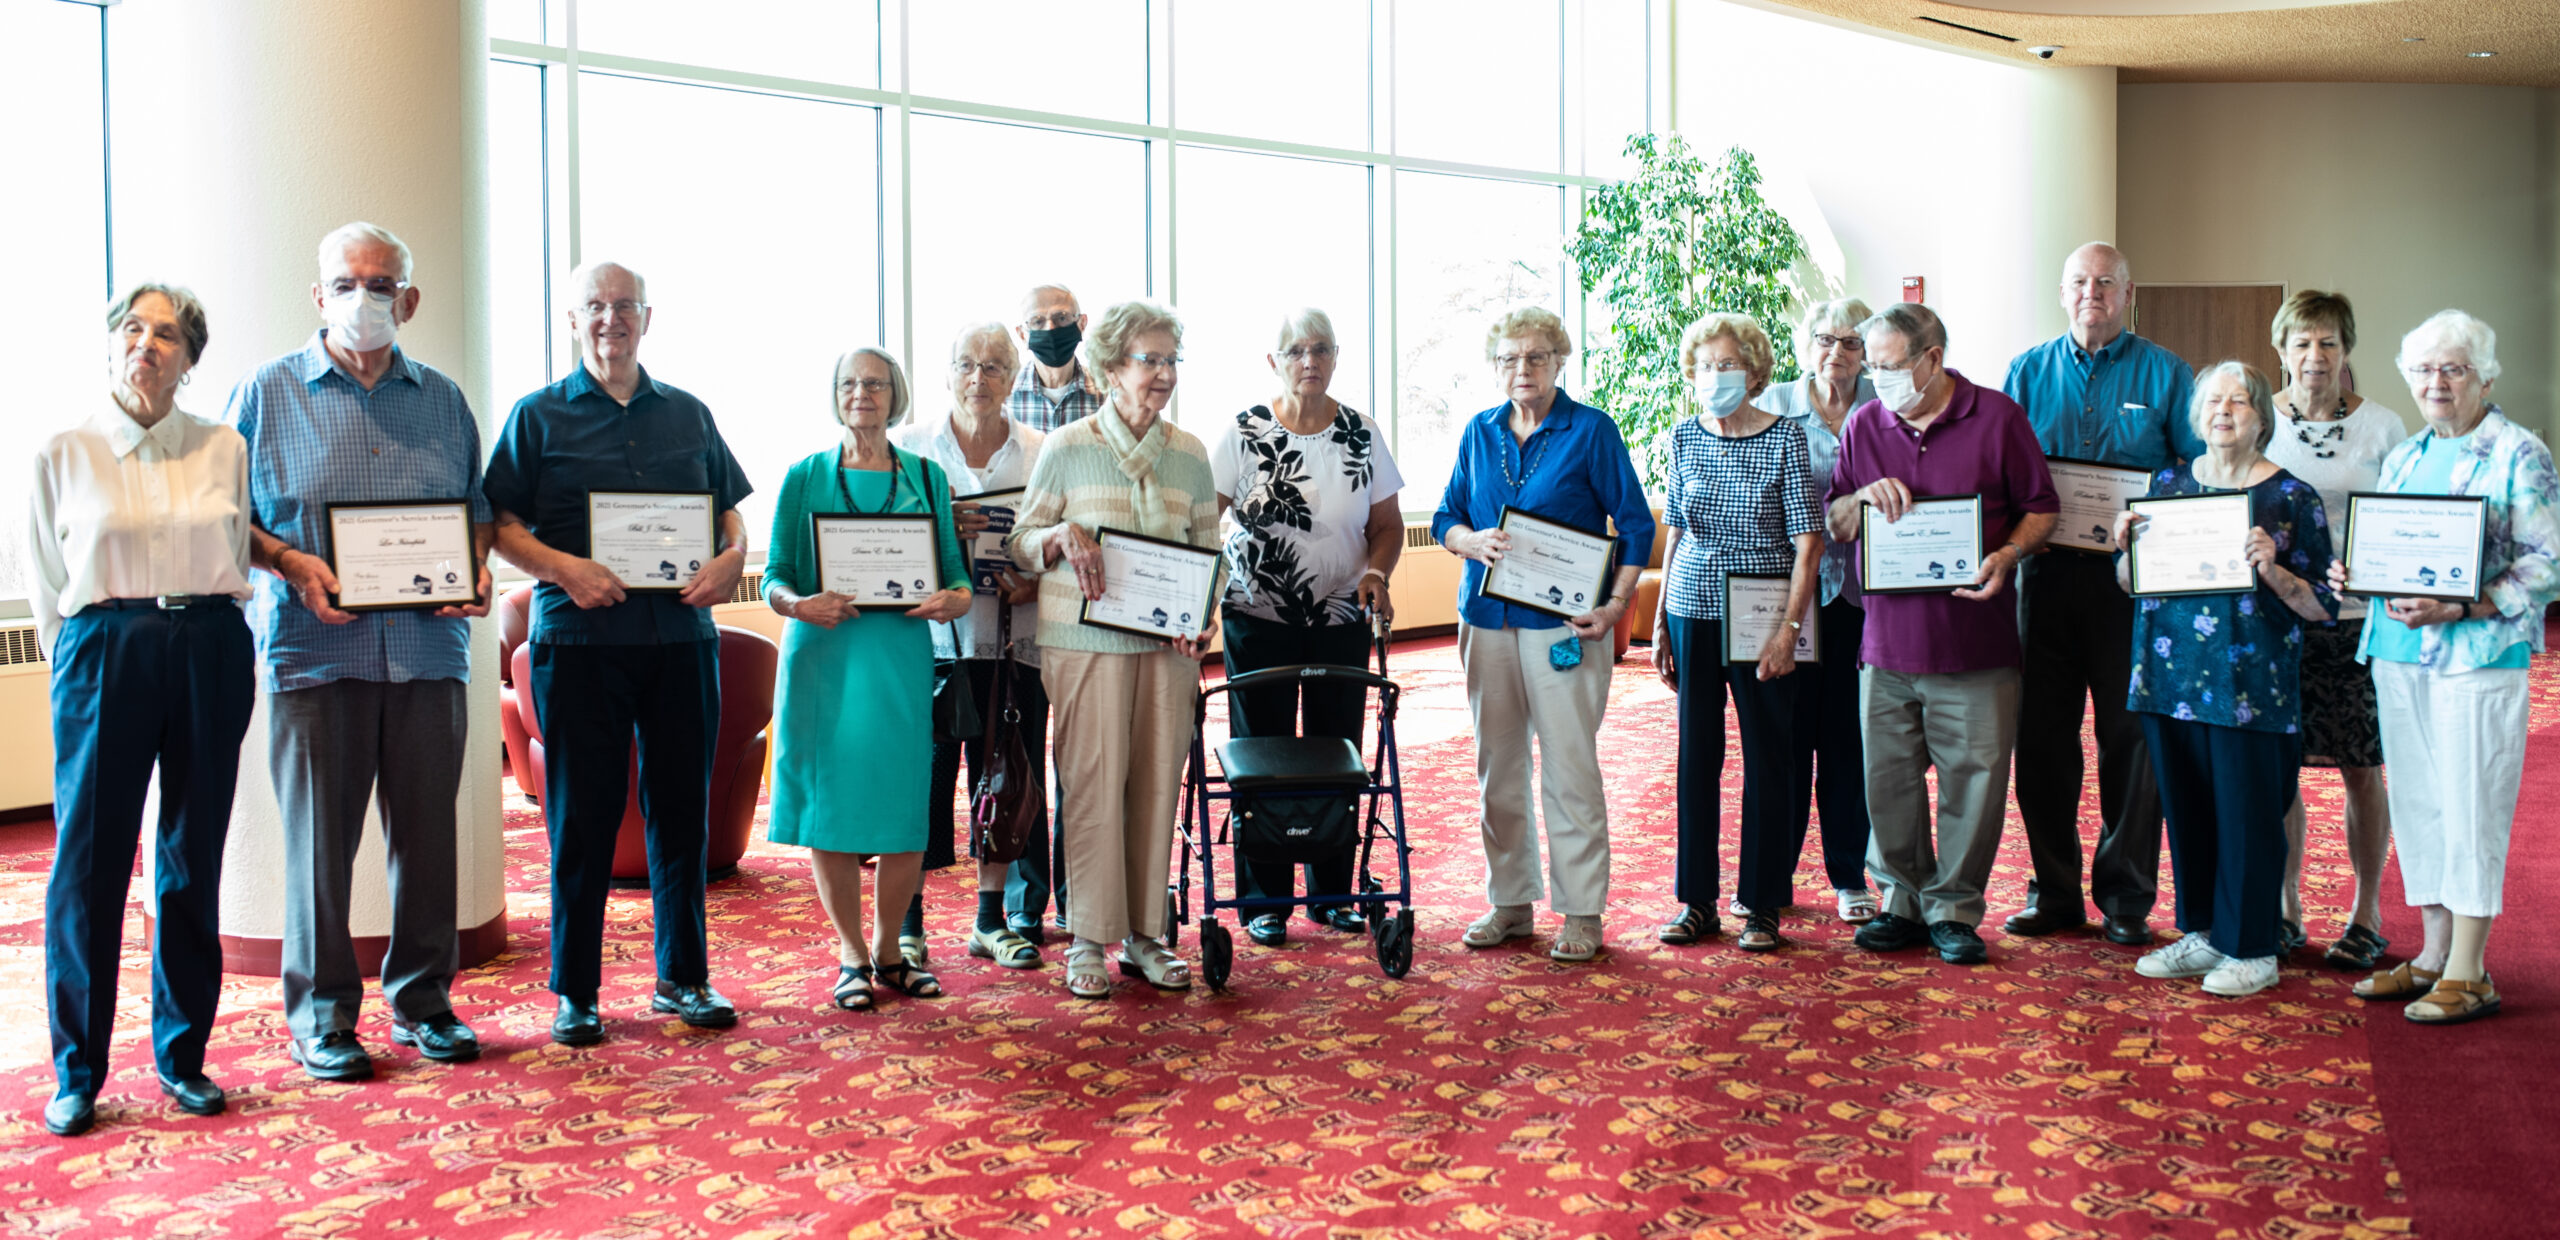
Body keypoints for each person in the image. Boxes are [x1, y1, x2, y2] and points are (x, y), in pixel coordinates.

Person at [227, 222, 495, 1082]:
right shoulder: (265, 395)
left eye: (382, 285)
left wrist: (476, 573)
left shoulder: (444, 401)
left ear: (408, 300)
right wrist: (289, 563)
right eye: (347, 283)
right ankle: (323, 1019)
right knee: (318, 848)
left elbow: (474, 514)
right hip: (313, 656)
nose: (364, 299)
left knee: (427, 841)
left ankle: (423, 1001)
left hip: (426, 654)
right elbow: (232, 527)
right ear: (318, 296)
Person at [485, 261, 753, 1045]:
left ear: (647, 318)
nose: (611, 319)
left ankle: (684, 978)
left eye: (625, 306)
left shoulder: (690, 415)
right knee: (582, 819)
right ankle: (576, 992)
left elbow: (729, 515)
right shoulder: (537, 416)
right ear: (573, 321)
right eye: (595, 308)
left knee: (681, 814)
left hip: (679, 640)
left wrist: (734, 558)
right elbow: (498, 525)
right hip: (578, 644)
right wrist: (566, 570)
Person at [31, 284, 254, 1137]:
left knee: (191, 853)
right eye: (133, 329)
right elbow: (50, 584)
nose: (147, 344)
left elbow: (234, 553)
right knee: (88, 862)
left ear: (191, 359)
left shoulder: (224, 446)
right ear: (113, 345)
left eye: (167, 334)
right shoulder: (65, 449)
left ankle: (183, 1057)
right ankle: (78, 1071)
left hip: (206, 643)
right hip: (105, 647)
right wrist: (87, 660)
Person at [2334, 310, 2559, 1024]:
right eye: (2425, 369)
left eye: (2453, 368)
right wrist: (2357, 574)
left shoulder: (2518, 453)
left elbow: (2547, 563)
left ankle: (2471, 969)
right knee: (2424, 806)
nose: (2437, 382)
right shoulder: (2405, 455)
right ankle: (2431, 955)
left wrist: (2466, 608)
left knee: (2471, 805)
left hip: (2477, 660)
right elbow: (2391, 551)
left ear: (2484, 377)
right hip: (2398, 654)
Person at [1828, 303, 2058, 966]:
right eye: (1872, 367)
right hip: (1887, 645)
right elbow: (1838, 519)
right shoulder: (1866, 424)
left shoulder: (1996, 417)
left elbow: (2042, 509)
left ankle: (1954, 909)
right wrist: (1862, 498)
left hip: (1975, 644)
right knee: (1888, 781)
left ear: (1933, 359)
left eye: (1892, 367)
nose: (1880, 379)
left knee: (1973, 783)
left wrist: (2007, 555)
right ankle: (1900, 901)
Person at [1005, 299, 1220, 998]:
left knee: (1158, 783)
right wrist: (1061, 537)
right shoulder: (1068, 448)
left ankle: (1147, 936)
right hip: (1082, 643)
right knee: (1093, 786)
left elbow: (1210, 552)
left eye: (1169, 361)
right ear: (1110, 367)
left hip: (1167, 650)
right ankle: (1088, 941)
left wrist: (1204, 616)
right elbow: (1021, 541)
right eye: (1147, 360)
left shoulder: (1188, 454)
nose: (1161, 375)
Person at [1432, 306, 1655, 964]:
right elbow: (1448, 512)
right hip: (1487, 620)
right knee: (1496, 768)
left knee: (1570, 768)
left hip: (1565, 625)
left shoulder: (1591, 431)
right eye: (1508, 358)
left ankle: (1582, 910)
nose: (1521, 369)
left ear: (1560, 361)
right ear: (1494, 366)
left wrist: (1616, 607)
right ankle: (1510, 901)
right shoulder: (1479, 431)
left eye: (1536, 356)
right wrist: (1468, 540)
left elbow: (1636, 525)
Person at [2117, 362, 2338, 998]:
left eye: (2238, 401)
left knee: (2248, 816)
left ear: (2261, 417)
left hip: (2251, 690)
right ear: (2195, 417)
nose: (2223, 411)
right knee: (2189, 812)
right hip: (2169, 681)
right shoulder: (2166, 484)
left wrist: (2274, 569)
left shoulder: (2291, 497)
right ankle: (2206, 932)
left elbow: (2322, 604)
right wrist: (2128, 551)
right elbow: (2130, 584)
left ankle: (2254, 947)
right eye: (2212, 401)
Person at [765, 347, 975, 1009]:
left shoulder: (926, 478)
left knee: (901, 806)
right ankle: (850, 953)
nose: (863, 393)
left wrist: (953, 601)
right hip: (825, 657)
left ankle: (891, 949)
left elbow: (958, 577)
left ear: (896, 394)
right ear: (836, 394)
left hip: (897, 659)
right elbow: (774, 578)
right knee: (832, 810)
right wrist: (798, 605)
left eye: (876, 383)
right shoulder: (804, 476)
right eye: (851, 382)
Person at [2003, 242, 2199, 947]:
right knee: (2042, 741)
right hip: (2046, 577)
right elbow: (2004, 477)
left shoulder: (2168, 374)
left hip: (2131, 584)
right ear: (2063, 292)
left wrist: (2152, 507)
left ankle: (2125, 898)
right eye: (2081, 282)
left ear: (2128, 293)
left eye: (2107, 283)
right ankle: (2053, 891)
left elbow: (2193, 470)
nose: (2094, 293)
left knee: (2131, 741)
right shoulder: (2026, 372)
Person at [1210, 308, 1404, 949]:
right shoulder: (1244, 432)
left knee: (1333, 751)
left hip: (1341, 618)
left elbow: (1387, 525)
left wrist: (1376, 573)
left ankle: (1331, 892)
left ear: (1336, 356)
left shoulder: (1361, 432)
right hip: (1257, 618)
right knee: (1261, 754)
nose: (1309, 360)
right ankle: (1263, 901)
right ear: (1274, 361)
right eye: (1295, 350)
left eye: (1321, 348)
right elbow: (1203, 521)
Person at [1647, 313, 1820, 953]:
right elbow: (1679, 534)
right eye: (1705, 366)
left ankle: (1763, 902)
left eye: (1728, 365)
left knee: (1769, 756)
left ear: (1753, 372)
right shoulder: (1682, 437)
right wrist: (1660, 621)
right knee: (1697, 757)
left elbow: (1809, 543)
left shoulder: (1785, 438)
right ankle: (1698, 902)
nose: (1715, 376)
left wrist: (1788, 630)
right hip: (1692, 605)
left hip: (1763, 612)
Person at [893, 323, 1049, 970]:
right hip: (928, 646)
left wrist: (1034, 581)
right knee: (920, 789)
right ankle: (908, 925)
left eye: (992, 368)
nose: (978, 379)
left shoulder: (1043, 451)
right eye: (966, 365)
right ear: (947, 373)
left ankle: (992, 920)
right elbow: (880, 544)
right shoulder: (908, 449)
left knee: (1005, 780)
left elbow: (1061, 538)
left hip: (1014, 650)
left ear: (1013, 379)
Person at [2260, 291, 2406, 970]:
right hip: (2276, 618)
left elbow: (2408, 522)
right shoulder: (2260, 423)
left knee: (2360, 767)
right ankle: (2286, 908)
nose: (2313, 356)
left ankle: (2366, 911)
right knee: (2279, 767)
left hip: (2353, 623)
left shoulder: (2383, 427)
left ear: (2346, 350)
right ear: (2280, 350)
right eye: (2301, 343)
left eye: (2327, 343)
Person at [1759, 297, 1882, 926]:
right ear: (1806, 343)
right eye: (1826, 339)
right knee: (1783, 738)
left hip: (1861, 599)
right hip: (1785, 601)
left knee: (1846, 741)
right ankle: (1771, 875)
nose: (1837, 352)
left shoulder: (1883, 409)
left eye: (1852, 343)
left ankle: (1847, 874)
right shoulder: (1773, 404)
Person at [1001, 282, 1104, 939]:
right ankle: (1025, 898)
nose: (1049, 329)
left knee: (1086, 756)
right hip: (1017, 603)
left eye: (1060, 320)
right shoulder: (999, 401)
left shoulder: (1109, 398)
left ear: (1083, 324)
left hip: (1090, 603)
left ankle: (1081, 890)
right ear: (1020, 332)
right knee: (1023, 757)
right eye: (1036, 321)